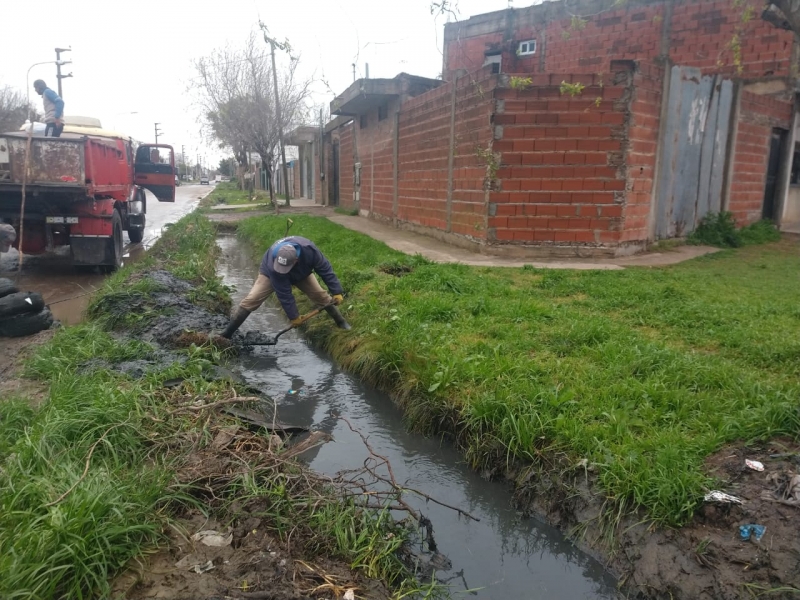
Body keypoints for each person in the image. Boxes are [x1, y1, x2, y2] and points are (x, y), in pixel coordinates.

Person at [220, 235, 351, 338]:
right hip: (271, 275)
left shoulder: (310, 250)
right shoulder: (274, 265)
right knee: (252, 299)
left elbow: (325, 270)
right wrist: (293, 316)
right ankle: (227, 333)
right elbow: (284, 293)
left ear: (296, 260)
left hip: (302, 272)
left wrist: (336, 291)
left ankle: (341, 322)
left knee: (320, 295)